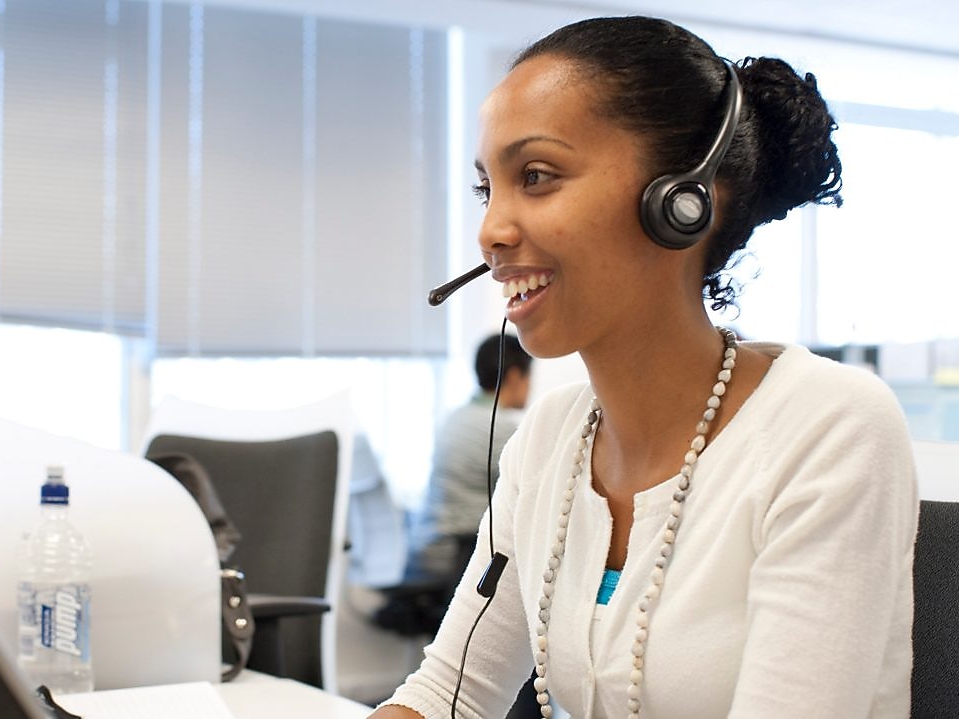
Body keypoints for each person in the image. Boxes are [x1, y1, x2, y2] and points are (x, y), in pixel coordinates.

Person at [371, 15, 916, 719]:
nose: (491, 230)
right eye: (488, 189)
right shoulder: (549, 442)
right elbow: (449, 694)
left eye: (536, 176)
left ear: (684, 201)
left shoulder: (827, 428)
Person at [376, 333, 532, 637]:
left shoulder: (456, 418)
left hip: (428, 550)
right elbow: (535, 496)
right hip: (453, 556)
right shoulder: (499, 429)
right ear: (514, 376)